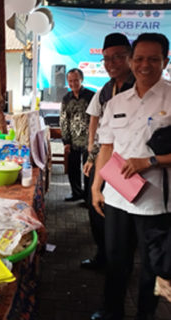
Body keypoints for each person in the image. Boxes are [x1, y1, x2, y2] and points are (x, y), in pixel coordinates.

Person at [91, 33, 171, 320]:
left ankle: (145, 315)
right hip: (116, 197)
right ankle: (112, 312)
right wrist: (96, 187)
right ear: (130, 60)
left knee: (151, 266)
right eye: (139, 58)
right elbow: (107, 147)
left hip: (156, 203)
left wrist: (150, 161)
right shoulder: (116, 102)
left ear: (166, 60)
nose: (144, 65)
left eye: (153, 59)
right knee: (115, 261)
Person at [81, 33, 135, 270]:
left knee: (124, 217)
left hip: (131, 164)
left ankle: (121, 262)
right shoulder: (105, 90)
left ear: (129, 57)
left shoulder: (140, 85)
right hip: (105, 158)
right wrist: (92, 155)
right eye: (106, 59)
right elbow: (95, 121)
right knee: (95, 207)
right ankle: (102, 255)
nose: (111, 64)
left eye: (118, 57)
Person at [59, 68, 94, 201]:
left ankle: (88, 197)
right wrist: (66, 141)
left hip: (88, 140)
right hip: (72, 140)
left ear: (82, 80)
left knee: (88, 169)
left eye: (76, 80)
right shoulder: (66, 98)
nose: (73, 83)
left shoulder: (92, 96)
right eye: (70, 81)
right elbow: (63, 120)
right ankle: (76, 193)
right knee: (73, 169)